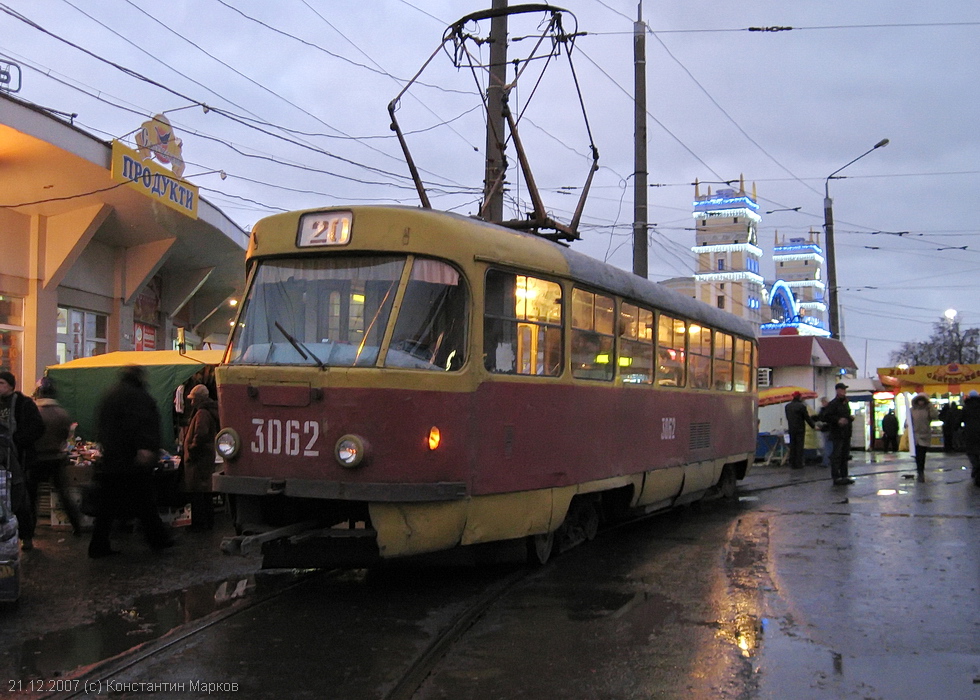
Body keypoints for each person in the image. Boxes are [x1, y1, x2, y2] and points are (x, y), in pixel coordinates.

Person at [88, 365, 175, 558]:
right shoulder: (138, 397)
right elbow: (142, 424)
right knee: (145, 503)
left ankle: (98, 545)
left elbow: (102, 426)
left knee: (108, 508)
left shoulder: (110, 395)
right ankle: (157, 539)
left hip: (113, 460)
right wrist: (145, 448)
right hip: (132, 462)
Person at [28, 377, 83, 536]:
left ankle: (29, 532)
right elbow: (65, 436)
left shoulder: (34, 412)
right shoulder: (62, 413)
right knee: (64, 495)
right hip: (56, 458)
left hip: (36, 459)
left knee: (32, 496)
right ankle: (76, 526)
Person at [0, 370, 45, 550]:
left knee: (22, 500)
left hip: (19, 460)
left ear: (11, 385)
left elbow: (37, 427)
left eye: (1, 383)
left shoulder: (24, 404)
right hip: (3, 459)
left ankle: (27, 536)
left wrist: (18, 440)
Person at [182, 384, 220, 531]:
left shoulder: (202, 413)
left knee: (197, 493)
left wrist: (191, 450)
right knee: (205, 492)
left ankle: (198, 523)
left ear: (199, 399)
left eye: (193, 399)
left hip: (198, 460)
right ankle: (207, 521)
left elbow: (200, 435)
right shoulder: (208, 411)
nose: (191, 403)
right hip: (205, 457)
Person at [819, 382, 854, 485]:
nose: (844, 392)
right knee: (837, 455)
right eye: (842, 390)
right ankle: (836, 477)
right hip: (837, 433)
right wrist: (838, 420)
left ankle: (844, 476)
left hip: (846, 433)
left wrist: (849, 418)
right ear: (838, 391)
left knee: (844, 455)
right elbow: (826, 416)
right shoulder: (833, 404)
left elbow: (845, 415)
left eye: (845, 390)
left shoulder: (845, 403)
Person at [784, 391, 816, 469]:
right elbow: (806, 418)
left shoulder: (787, 406)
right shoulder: (801, 406)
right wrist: (813, 426)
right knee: (799, 447)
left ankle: (792, 463)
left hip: (791, 428)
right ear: (799, 397)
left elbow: (788, 418)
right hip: (800, 429)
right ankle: (798, 463)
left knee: (793, 446)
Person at [909, 393, 936, 481]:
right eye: (919, 401)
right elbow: (908, 421)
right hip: (915, 435)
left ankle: (921, 470)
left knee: (922, 453)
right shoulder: (912, 410)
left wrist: (930, 406)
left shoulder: (927, 410)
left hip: (924, 434)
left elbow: (934, 416)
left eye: (922, 401)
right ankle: (919, 470)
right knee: (918, 454)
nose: (921, 403)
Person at [960, 390, 980, 487]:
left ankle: (976, 467)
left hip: (970, 433)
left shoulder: (966, 407)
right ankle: (977, 469)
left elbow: (960, 419)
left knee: (971, 452)